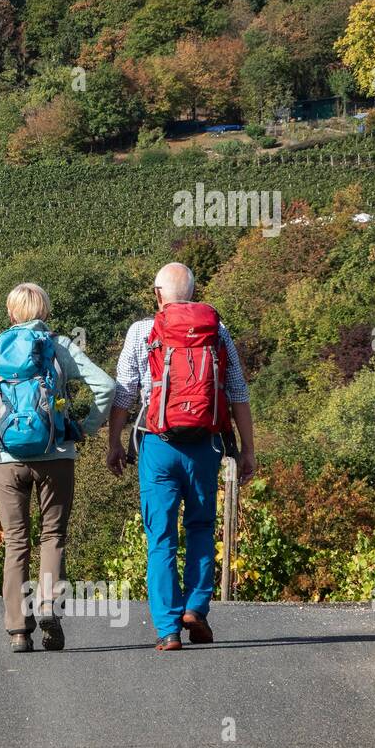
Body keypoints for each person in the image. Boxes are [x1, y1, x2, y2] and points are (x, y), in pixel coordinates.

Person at [0, 283, 116, 652]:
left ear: (10, 314)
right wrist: (83, 427)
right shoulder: (59, 346)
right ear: (45, 313)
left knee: (16, 543)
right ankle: (50, 607)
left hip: (6, 460)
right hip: (56, 455)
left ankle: (19, 630)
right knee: (52, 536)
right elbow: (105, 385)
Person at [106, 262, 256, 651]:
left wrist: (114, 442)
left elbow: (124, 391)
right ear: (194, 291)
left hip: (158, 444)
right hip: (206, 446)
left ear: (158, 294)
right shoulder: (217, 330)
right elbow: (237, 392)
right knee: (202, 528)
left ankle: (169, 629)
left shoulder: (142, 331)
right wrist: (248, 450)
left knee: (161, 537)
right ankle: (197, 610)